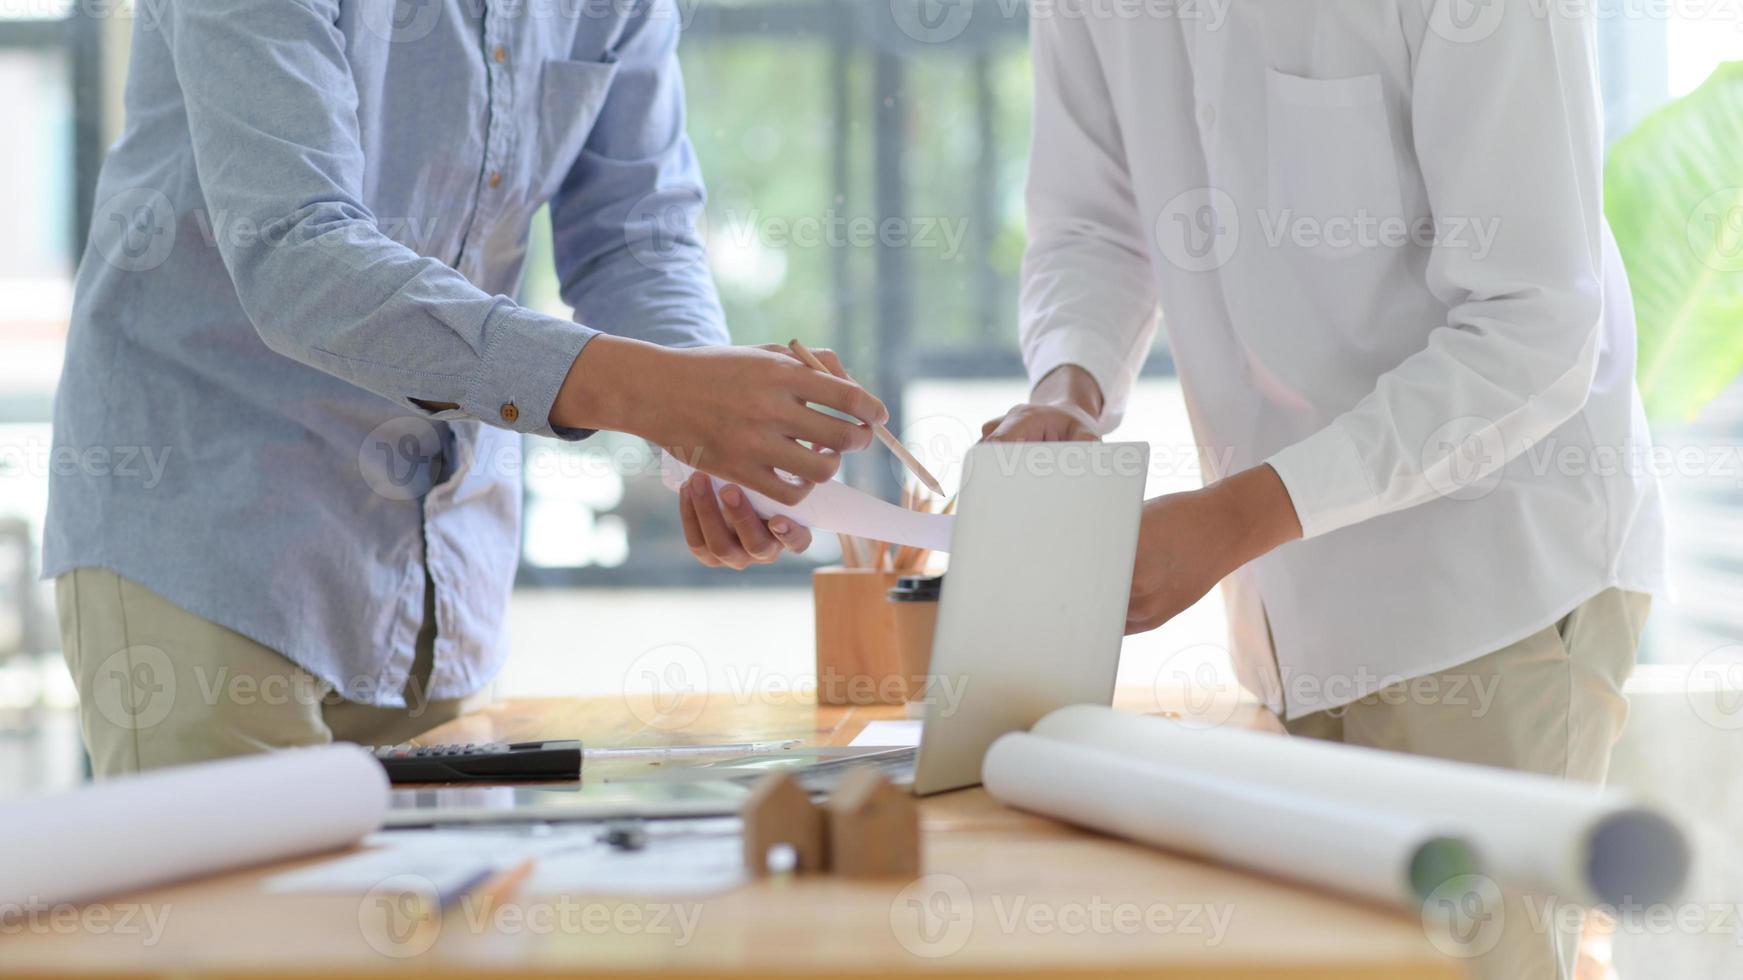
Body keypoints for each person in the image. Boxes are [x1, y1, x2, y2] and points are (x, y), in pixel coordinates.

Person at [981, 3, 1663, 977]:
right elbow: (1095, 219)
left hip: (1487, 590)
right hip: (1285, 614)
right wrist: (1070, 384)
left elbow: (1536, 323)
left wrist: (1237, 516)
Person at [45, 0, 875, 776]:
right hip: (214, 534)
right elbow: (295, 253)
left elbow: (635, 239)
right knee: (258, 928)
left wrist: (703, 420)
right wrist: (657, 393)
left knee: (459, 921)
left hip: (444, 574)